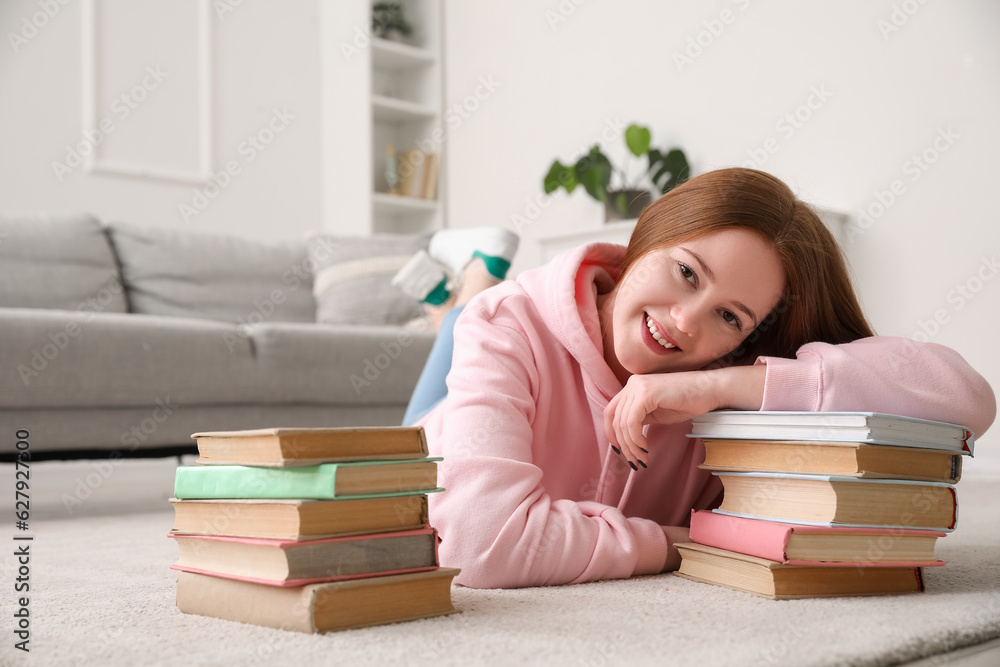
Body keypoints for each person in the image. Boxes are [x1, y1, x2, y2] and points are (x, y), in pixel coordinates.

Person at [391, 167, 997, 589]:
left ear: (747, 338)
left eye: (729, 316)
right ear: (649, 236)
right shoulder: (510, 323)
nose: (683, 322)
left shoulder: (720, 380)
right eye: (685, 271)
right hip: (427, 446)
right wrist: (680, 540)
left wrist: (723, 388)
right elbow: (482, 546)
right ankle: (465, 288)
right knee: (466, 322)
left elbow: (966, 397)